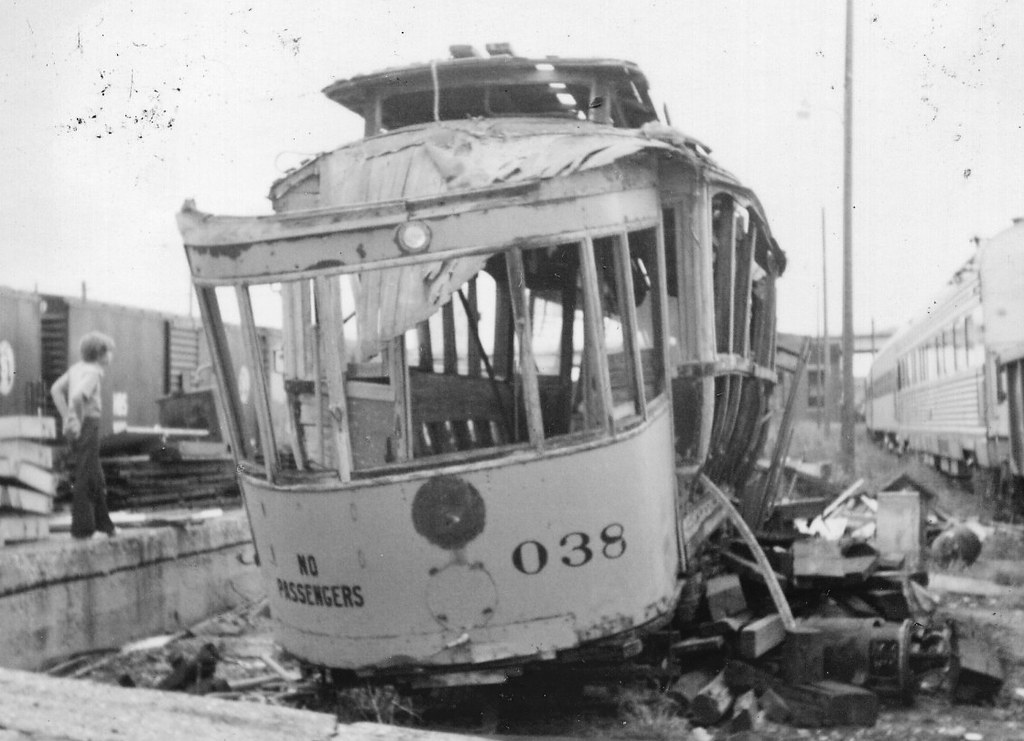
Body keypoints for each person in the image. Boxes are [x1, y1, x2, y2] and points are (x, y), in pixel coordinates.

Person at [51, 331, 117, 539]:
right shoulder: (94, 372)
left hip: (78, 424)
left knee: (95, 475)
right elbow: (79, 397)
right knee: (86, 475)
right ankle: (82, 530)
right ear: (100, 354)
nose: (111, 357)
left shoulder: (76, 369)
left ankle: (106, 526)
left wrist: (67, 418)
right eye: (109, 352)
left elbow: (55, 390)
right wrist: (77, 421)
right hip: (88, 424)